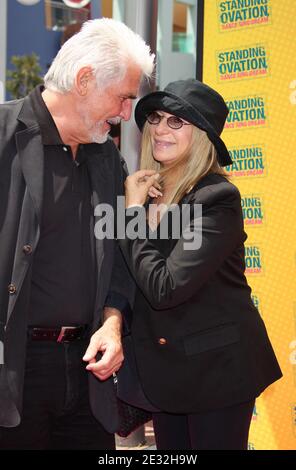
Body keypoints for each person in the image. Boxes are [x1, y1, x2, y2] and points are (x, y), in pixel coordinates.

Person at [0, 18, 154, 450]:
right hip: (14, 371)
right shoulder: (4, 136)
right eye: (124, 98)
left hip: (88, 376)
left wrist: (112, 322)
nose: (127, 114)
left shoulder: (105, 158)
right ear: (85, 80)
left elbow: (122, 256)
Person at [117, 79, 282, 450]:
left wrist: (129, 214)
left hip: (216, 374)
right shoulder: (143, 196)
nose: (159, 129)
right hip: (165, 374)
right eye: (157, 118)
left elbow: (165, 288)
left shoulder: (217, 199)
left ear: (203, 134)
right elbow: (123, 275)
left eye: (177, 122)